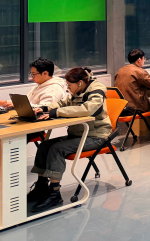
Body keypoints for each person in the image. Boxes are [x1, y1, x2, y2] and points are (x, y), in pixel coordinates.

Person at [28, 67, 111, 213]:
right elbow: (62, 104)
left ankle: (54, 194)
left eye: (69, 85)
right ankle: (41, 186)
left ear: (80, 83)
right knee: (44, 146)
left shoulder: (96, 91)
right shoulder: (76, 91)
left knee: (57, 149)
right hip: (79, 134)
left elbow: (87, 109)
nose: (68, 88)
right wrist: (45, 108)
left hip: (96, 136)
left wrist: (56, 113)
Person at [0, 58, 66, 110]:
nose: (32, 77)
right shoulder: (40, 85)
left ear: (45, 73)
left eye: (34, 74)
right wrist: (6, 102)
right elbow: (28, 103)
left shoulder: (53, 90)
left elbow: (44, 108)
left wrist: (18, 105)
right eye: (31, 74)